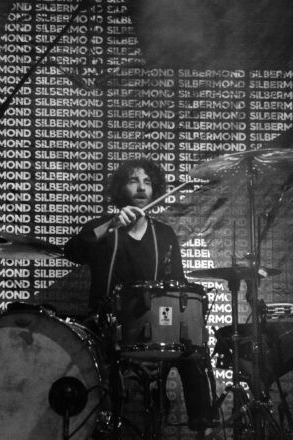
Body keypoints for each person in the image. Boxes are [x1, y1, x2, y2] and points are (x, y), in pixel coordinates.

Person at [64, 158, 216, 436]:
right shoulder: (102, 227)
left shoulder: (164, 234)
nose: (141, 187)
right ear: (120, 187)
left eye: (147, 182)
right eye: (134, 180)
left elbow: (178, 284)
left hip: (154, 322)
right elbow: (72, 251)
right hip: (106, 325)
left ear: (155, 189)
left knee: (192, 348)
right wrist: (110, 225)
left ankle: (203, 427)